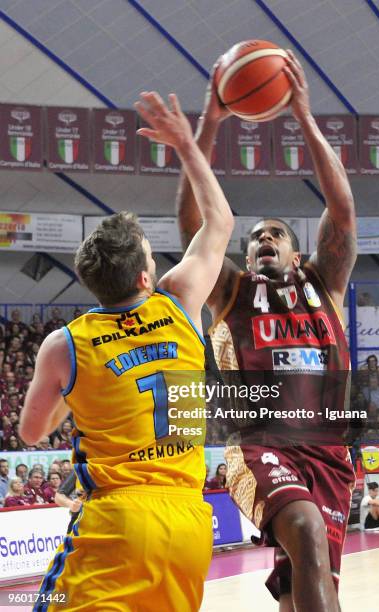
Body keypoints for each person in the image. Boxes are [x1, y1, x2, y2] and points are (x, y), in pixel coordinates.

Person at [19, 90, 234, 612]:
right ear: (144, 276)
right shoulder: (180, 304)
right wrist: (187, 144)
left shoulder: (65, 345)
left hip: (117, 521)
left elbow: (31, 431)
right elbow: (219, 222)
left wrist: (84, 393)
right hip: (188, 522)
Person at [176, 50, 357, 612]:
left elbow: (343, 209)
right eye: (254, 237)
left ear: (297, 250)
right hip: (260, 445)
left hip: (329, 451)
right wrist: (209, 123)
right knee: (303, 535)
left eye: (275, 234)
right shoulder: (230, 291)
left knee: (309, 584)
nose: (264, 241)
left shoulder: (324, 281)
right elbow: (193, 222)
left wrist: (303, 115)